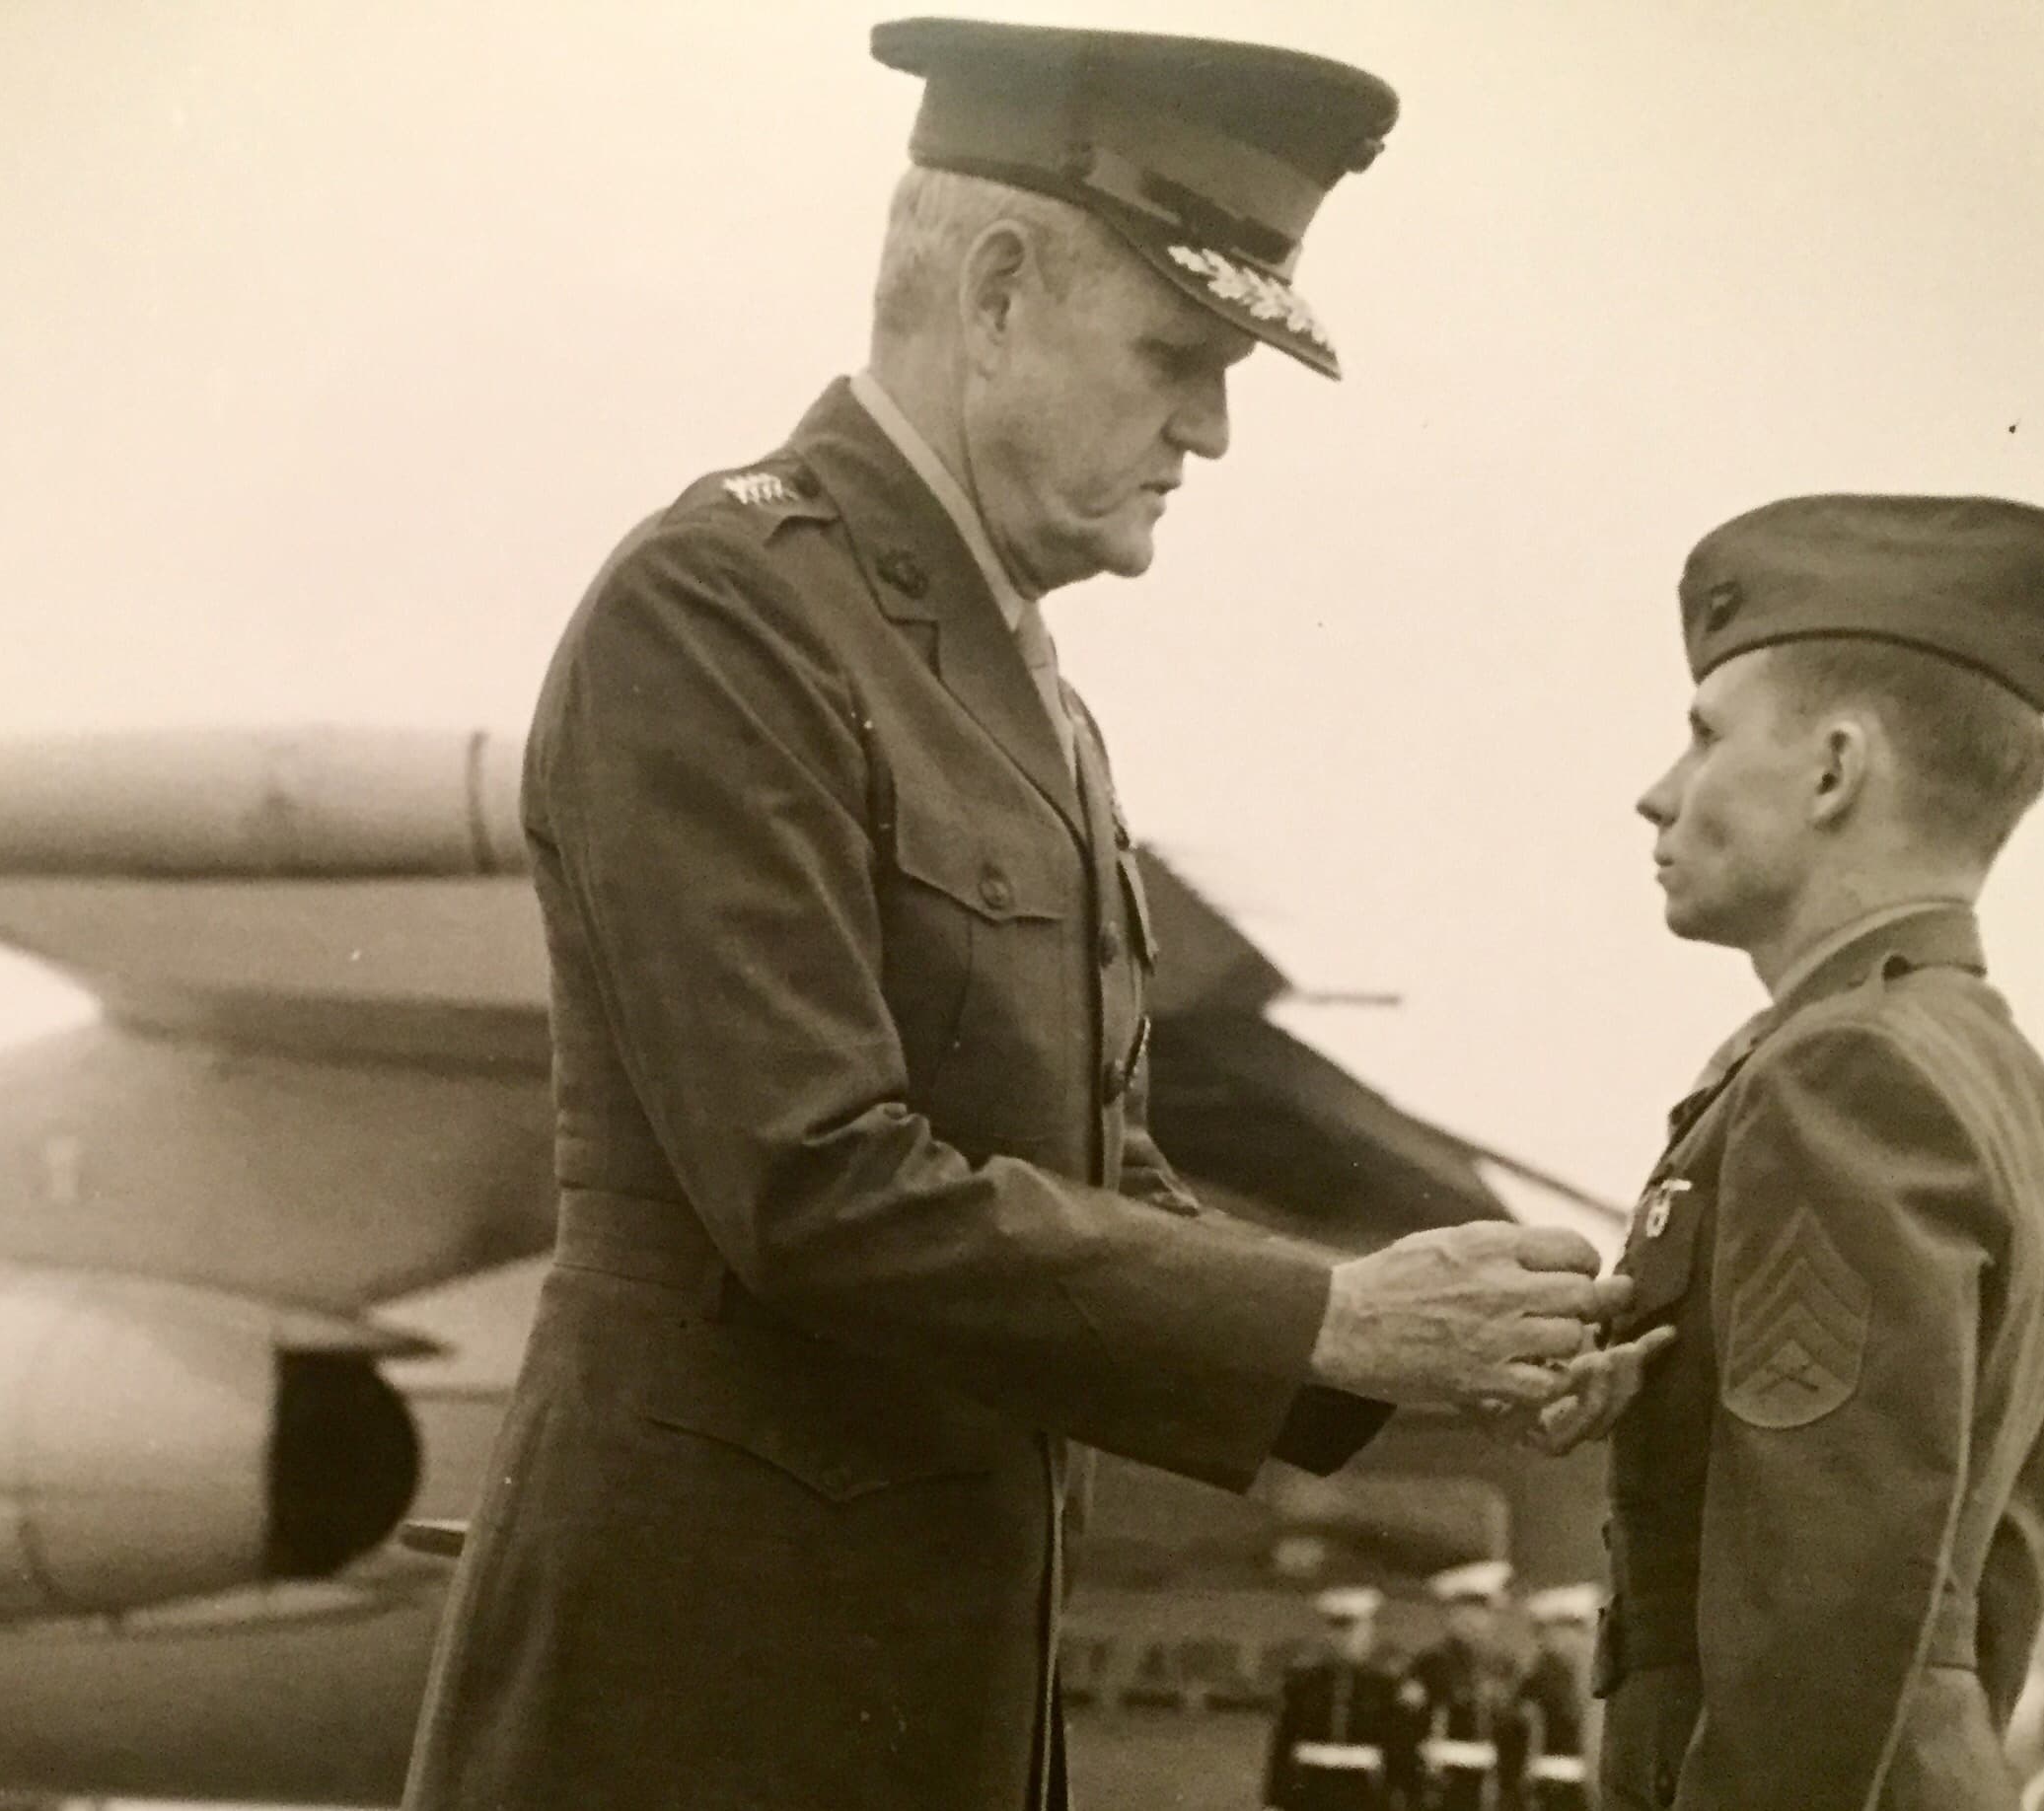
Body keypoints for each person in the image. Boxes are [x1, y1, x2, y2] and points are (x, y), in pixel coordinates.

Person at [400, 19, 1627, 1811]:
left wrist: (1431, 1348)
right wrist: (1321, 1322)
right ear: (990, 294)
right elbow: (809, 1178)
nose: (1205, 429)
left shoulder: (1027, 698)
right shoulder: (721, 609)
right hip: (697, 1713)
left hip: (925, 1700)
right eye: (1177, 353)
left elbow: (1089, 1185)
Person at [1571, 494, 2044, 1809]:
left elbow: (1831, 1584)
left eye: (1703, 739)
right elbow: (2000, 1548)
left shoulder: (1841, 1071)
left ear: (1833, 771)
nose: (1658, 792)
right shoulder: (1978, 1055)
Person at [1263, 1586, 1412, 1811]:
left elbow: (1396, 1748)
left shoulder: (1384, 1686)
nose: (1345, 1639)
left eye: (1354, 1630)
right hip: (1309, 1790)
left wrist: (1398, 1798)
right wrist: (1274, 1801)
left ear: (1369, 1632)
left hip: (1363, 1792)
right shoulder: (1302, 1682)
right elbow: (1284, 1742)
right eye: (1338, 1630)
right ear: (1327, 1633)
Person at [1403, 1561, 1520, 1811]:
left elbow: (1512, 1735)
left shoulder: (1504, 1667)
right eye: (1465, 1612)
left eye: (1482, 1612)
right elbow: (1407, 1732)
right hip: (1441, 1786)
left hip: (1488, 1789)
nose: (1474, 1621)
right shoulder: (1430, 1665)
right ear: (1451, 1615)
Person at [1507, 1585, 1597, 1811]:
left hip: (1581, 1785)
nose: (1568, 1640)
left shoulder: (1585, 1676)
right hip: (1547, 1784)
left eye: (1575, 1631)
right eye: (1560, 1632)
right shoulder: (1539, 1679)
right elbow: (1526, 1737)